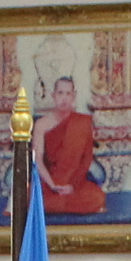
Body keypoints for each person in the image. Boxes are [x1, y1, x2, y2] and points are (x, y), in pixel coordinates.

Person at [34, 72, 107, 218]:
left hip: (74, 186)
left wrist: (72, 186)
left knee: (97, 197)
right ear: (53, 95)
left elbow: (86, 160)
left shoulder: (83, 122)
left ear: (74, 96)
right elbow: (38, 160)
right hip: (50, 183)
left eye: (68, 93)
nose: (64, 98)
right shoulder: (41, 124)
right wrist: (52, 184)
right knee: (31, 197)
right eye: (60, 93)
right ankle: (62, 204)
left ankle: (58, 205)